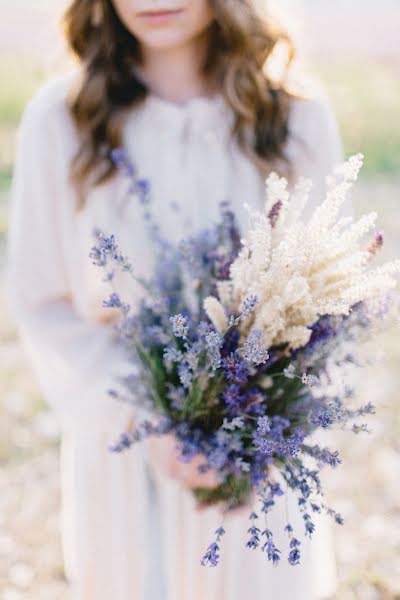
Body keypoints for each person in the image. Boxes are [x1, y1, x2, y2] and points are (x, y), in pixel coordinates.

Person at [5, 1, 344, 598]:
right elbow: (42, 299)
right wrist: (150, 416)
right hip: (124, 453)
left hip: (256, 458)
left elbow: (325, 305)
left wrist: (261, 423)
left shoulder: (297, 118)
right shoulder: (61, 121)